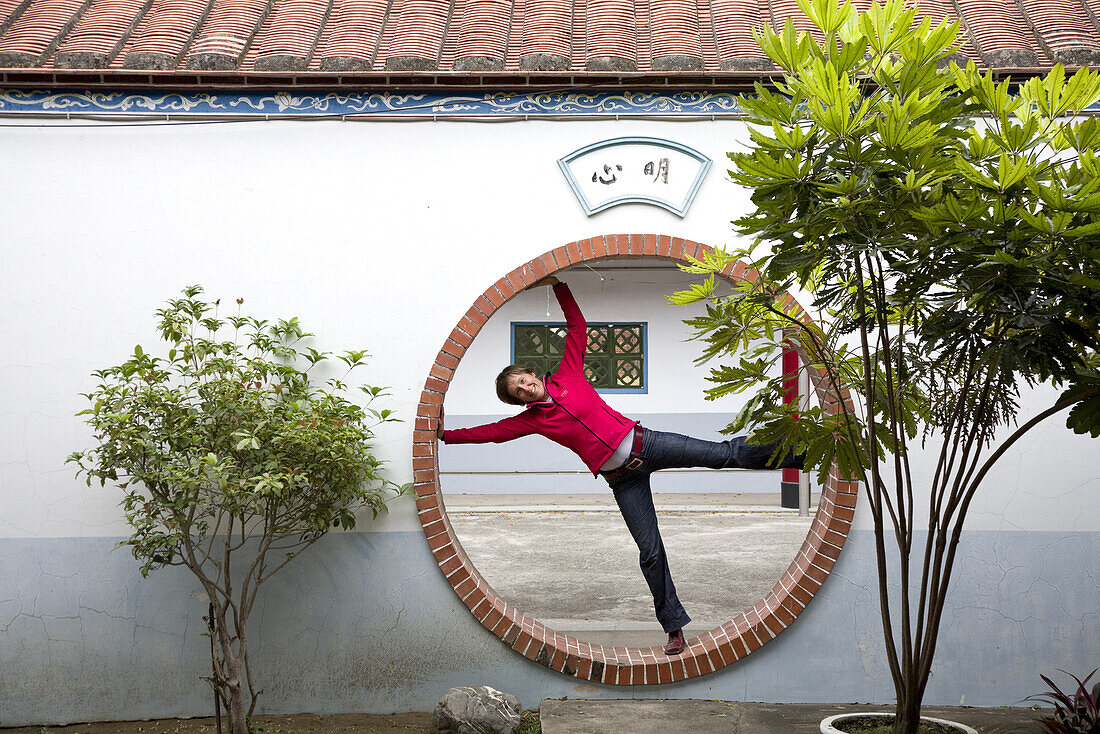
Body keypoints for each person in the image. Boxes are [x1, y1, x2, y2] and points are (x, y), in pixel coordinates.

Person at [436, 276, 802, 655]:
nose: (525, 388)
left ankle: (801, 454)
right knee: (650, 550)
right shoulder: (532, 420)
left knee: (724, 454)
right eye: (518, 392)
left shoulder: (569, 373)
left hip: (649, 444)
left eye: (523, 380)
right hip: (622, 479)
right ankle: (674, 627)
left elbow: (578, 326)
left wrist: (559, 284)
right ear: (517, 401)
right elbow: (491, 433)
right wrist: (446, 436)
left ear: (531, 373)